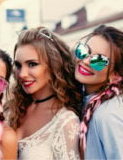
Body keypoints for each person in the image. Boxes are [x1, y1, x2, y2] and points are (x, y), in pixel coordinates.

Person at [5, 27, 82, 160]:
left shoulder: (65, 122)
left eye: (32, 64)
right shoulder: (11, 109)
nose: (22, 74)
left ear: (54, 66)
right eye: (18, 65)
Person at [76, 25, 123, 159]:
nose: (85, 61)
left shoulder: (108, 116)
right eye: (83, 51)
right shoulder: (84, 101)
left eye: (98, 60)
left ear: (116, 75)